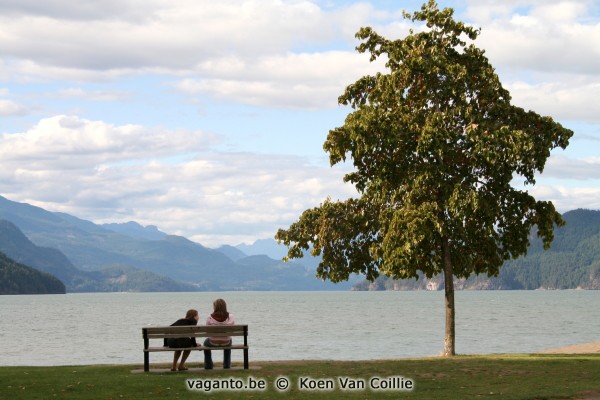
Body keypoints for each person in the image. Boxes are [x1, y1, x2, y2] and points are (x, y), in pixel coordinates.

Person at [203, 298, 235, 369]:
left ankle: (208, 365)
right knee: (229, 341)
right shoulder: (231, 316)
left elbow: (207, 331)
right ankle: (226, 365)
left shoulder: (210, 317)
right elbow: (232, 330)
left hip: (212, 342)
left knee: (205, 343)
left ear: (215, 307)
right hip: (226, 342)